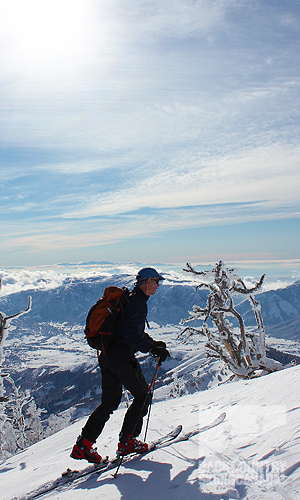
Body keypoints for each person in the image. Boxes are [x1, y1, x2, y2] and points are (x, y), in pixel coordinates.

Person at [71, 267, 170, 463]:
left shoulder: (128, 299)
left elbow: (127, 330)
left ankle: (83, 446)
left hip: (106, 354)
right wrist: (152, 348)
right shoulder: (138, 302)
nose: (158, 286)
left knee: (109, 403)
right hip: (121, 357)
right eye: (157, 282)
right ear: (148, 282)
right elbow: (131, 335)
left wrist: (152, 344)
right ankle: (128, 441)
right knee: (143, 395)